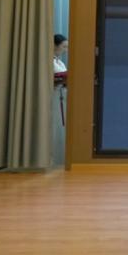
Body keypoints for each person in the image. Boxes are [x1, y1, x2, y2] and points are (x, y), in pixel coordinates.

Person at [52, 34, 68, 167]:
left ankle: (59, 158)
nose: (65, 50)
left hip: (61, 95)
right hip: (52, 95)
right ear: (54, 46)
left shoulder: (60, 62)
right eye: (63, 47)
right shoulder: (49, 62)